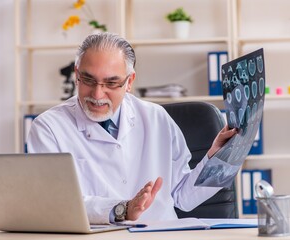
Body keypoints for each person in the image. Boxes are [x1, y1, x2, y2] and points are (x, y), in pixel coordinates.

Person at [27, 32, 237, 224]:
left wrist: (218, 158)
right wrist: (122, 210)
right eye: (88, 80)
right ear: (76, 75)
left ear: (129, 82)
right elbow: (55, 204)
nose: (97, 94)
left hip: (161, 234)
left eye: (111, 83)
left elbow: (183, 196)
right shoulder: (49, 127)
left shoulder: (156, 117)